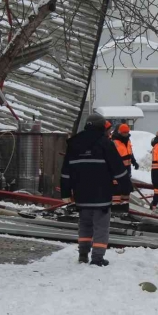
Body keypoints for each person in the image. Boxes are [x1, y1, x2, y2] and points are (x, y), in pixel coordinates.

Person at [61, 112, 132, 266]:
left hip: (81, 195)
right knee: (101, 227)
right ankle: (97, 258)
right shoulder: (105, 143)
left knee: (85, 224)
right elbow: (118, 169)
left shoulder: (74, 143)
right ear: (102, 127)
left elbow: (66, 171)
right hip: (101, 195)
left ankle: (83, 255)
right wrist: (126, 187)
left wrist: (66, 193)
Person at [111, 124, 138, 212]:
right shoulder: (114, 141)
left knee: (126, 189)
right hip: (117, 170)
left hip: (127, 169)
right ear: (119, 132)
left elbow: (130, 152)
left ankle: (124, 207)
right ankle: (115, 207)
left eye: (127, 132)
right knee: (117, 189)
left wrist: (134, 161)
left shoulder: (127, 140)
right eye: (124, 133)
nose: (126, 134)